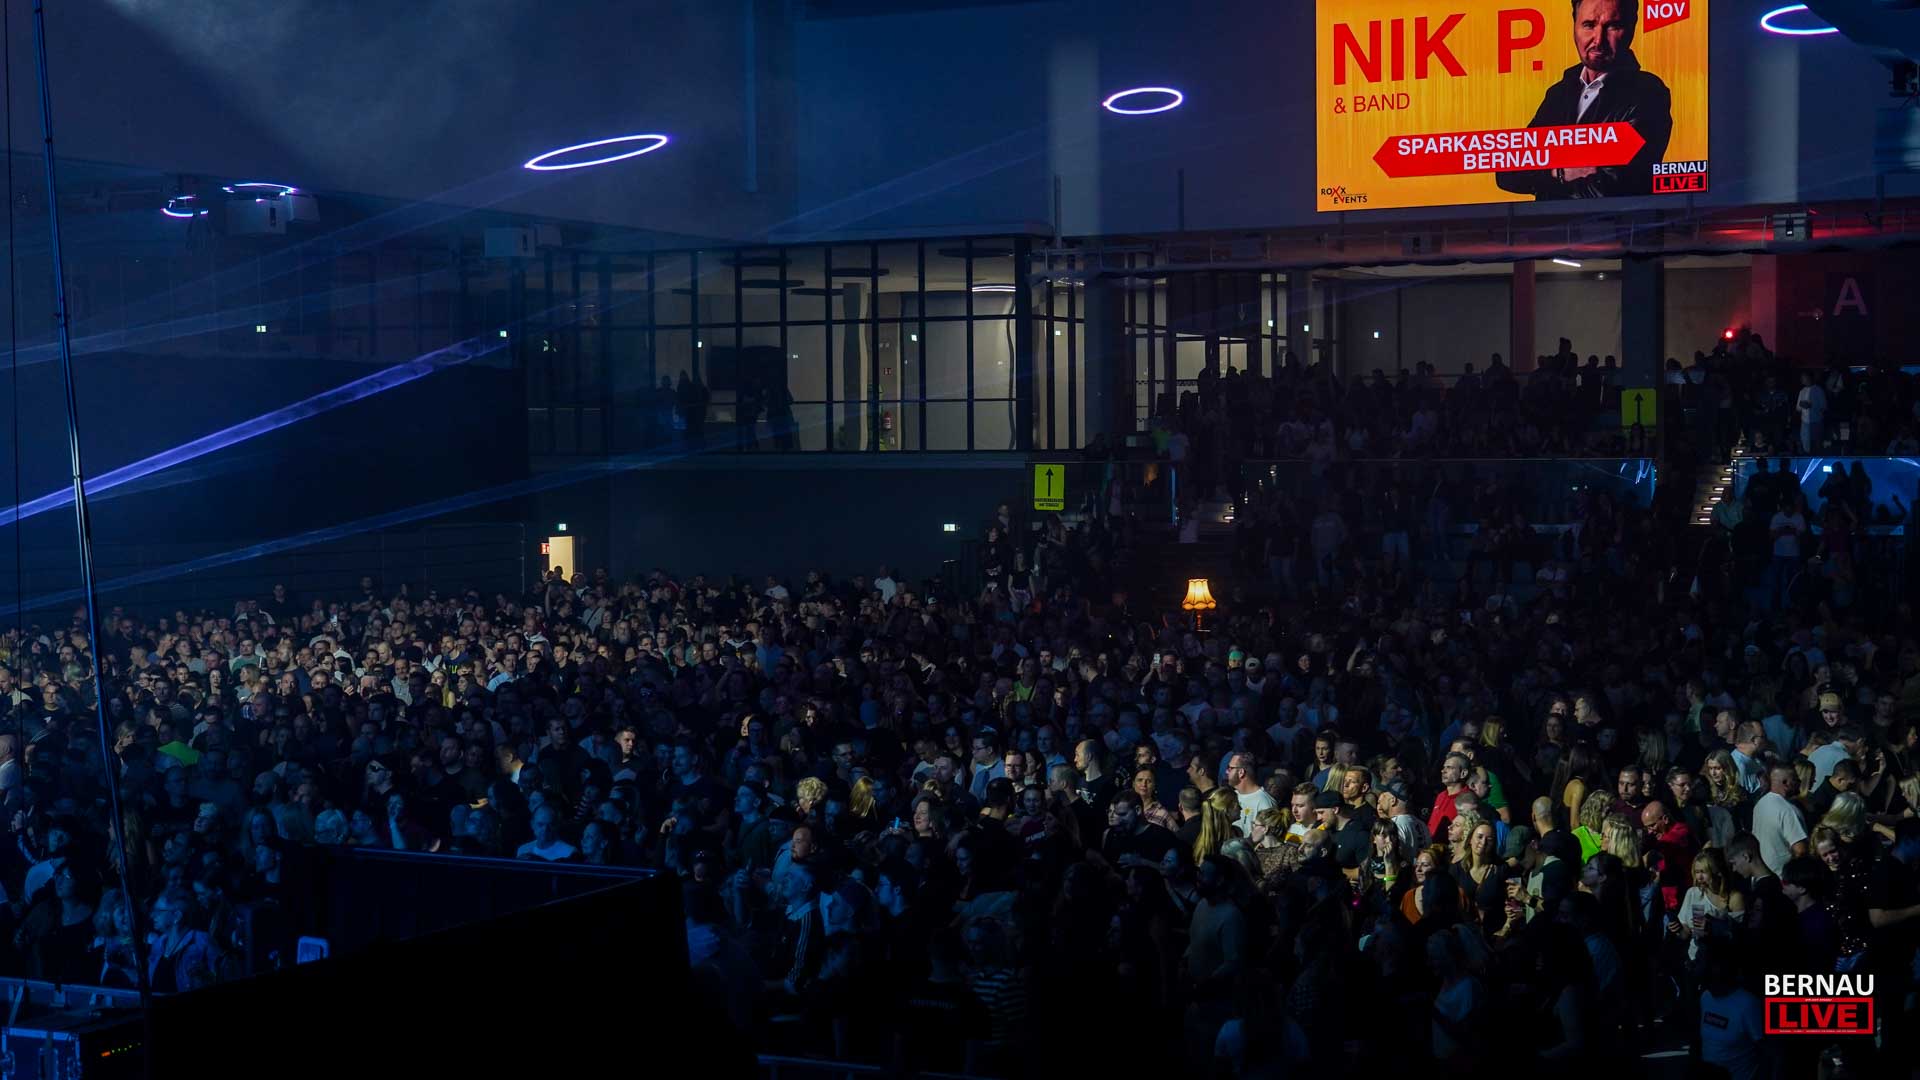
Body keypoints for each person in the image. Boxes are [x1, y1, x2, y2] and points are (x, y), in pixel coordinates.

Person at [1494, 0, 1674, 201]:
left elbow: (1613, 187)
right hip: (1553, 222)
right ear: (1574, 25)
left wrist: (1547, 176)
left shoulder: (1647, 93)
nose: (1598, 40)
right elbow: (1508, 172)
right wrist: (1562, 172)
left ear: (1632, 27)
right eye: (1589, 25)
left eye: (1613, 26)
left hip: (1612, 221)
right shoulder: (1559, 94)